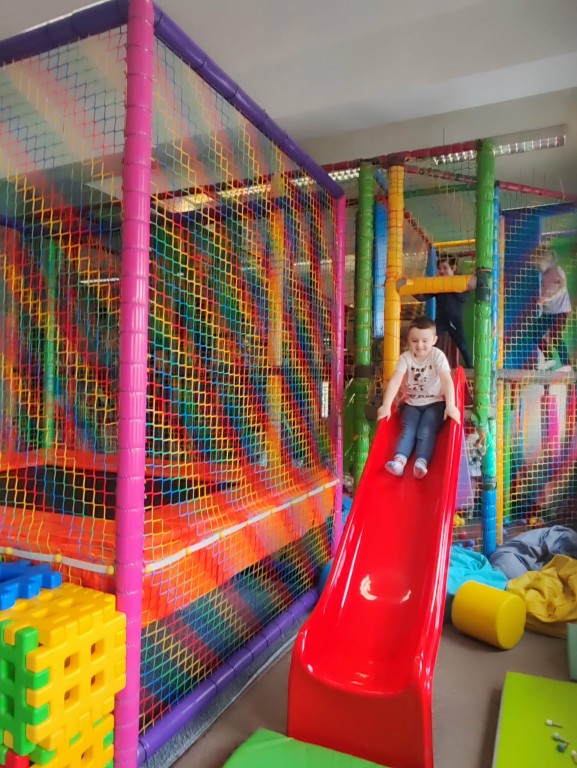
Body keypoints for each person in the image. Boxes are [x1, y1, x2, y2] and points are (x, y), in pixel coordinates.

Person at [377, 315, 461, 479]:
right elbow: (395, 380)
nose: (420, 345)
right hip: (412, 403)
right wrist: (386, 405)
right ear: (408, 340)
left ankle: (421, 462)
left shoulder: (437, 356)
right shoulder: (405, 358)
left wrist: (451, 405)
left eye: (425, 341)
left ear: (434, 340)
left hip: (435, 403)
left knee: (426, 429)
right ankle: (399, 462)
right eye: (414, 341)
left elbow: (446, 380)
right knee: (408, 429)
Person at [417, 257, 475, 369]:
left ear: (453, 268)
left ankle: (470, 367)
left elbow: (464, 298)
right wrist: (412, 290)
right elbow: (423, 297)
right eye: (439, 269)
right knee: (430, 339)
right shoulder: (438, 285)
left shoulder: (459, 283)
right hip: (441, 319)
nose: (442, 271)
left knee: (462, 344)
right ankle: (424, 364)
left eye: (445, 268)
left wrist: (454, 287)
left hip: (454, 320)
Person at [530, 248, 572, 370]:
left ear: (547, 259)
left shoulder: (557, 270)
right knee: (535, 333)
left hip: (560, 311)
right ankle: (549, 359)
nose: (537, 267)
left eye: (538, 264)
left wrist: (549, 298)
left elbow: (563, 288)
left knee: (555, 336)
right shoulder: (544, 275)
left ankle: (567, 365)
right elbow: (547, 292)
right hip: (548, 312)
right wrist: (543, 301)